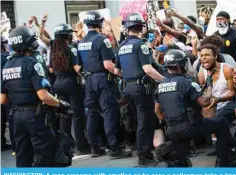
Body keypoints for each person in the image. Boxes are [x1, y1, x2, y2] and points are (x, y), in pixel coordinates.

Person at [154, 49, 236, 167]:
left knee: (182, 161)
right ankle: (223, 162)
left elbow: (157, 111)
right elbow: (204, 103)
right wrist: (209, 87)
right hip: (190, 126)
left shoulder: (160, 85)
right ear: (181, 64)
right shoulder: (187, 82)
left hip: (171, 130)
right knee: (221, 123)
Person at [1, 26, 71, 167]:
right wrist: (61, 104)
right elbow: (43, 96)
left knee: (22, 155)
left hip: (16, 117)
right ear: (29, 44)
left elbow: (2, 99)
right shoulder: (32, 64)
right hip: (35, 115)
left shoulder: (6, 66)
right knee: (44, 153)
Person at [76, 10, 131, 159]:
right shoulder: (102, 40)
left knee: (92, 114)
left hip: (89, 80)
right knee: (109, 113)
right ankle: (114, 148)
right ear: (100, 23)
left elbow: (77, 68)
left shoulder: (81, 42)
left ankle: (95, 147)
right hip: (102, 79)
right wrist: (123, 75)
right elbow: (108, 65)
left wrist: (89, 76)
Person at [114, 12, 164, 167]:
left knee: (137, 122)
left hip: (127, 88)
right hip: (140, 88)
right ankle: (144, 156)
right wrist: (164, 80)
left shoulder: (121, 47)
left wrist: (130, 78)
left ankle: (143, 151)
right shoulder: (140, 45)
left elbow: (116, 72)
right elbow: (148, 69)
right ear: (141, 28)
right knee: (145, 122)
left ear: (127, 28)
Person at [49, 23, 90, 155]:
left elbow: (50, 69)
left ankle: (66, 147)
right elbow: (77, 68)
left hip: (58, 83)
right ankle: (82, 147)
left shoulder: (53, 51)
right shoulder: (71, 49)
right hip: (71, 83)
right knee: (77, 116)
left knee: (64, 116)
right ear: (68, 35)